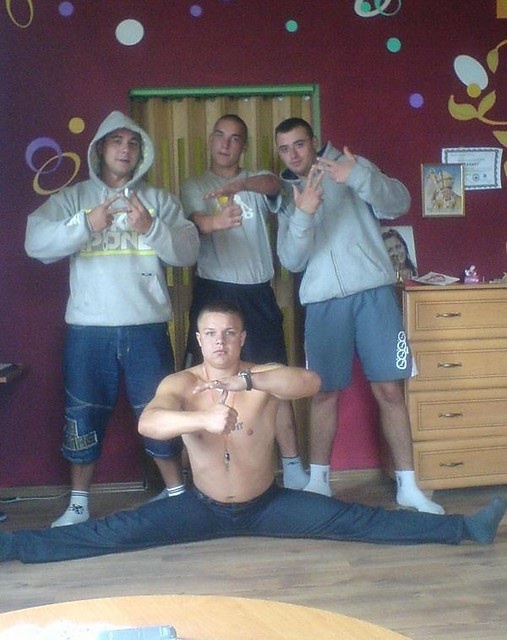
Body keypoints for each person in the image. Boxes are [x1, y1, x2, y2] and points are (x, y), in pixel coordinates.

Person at [0, 301, 504, 564]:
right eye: (210, 333)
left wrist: (246, 382)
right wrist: (201, 420)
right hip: (200, 507)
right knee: (109, 534)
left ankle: (466, 529)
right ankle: (14, 547)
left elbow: (310, 383)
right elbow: (148, 422)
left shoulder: (262, 376)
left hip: (267, 504)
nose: (219, 342)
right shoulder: (181, 383)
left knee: (361, 521)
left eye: (229, 333)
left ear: (241, 338)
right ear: (198, 339)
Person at [24, 111, 200, 527]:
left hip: (146, 328)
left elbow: (188, 251)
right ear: (100, 147)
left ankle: (177, 495)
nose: (125, 149)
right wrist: (87, 223)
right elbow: (35, 242)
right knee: (82, 413)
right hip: (89, 331)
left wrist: (151, 227)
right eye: (117, 141)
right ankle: (79, 505)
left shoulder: (158, 201)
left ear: (142, 152)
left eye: (133, 142)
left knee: (161, 410)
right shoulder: (74, 198)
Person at [274, 117, 444, 514]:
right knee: (323, 393)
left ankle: (408, 487)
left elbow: (399, 202)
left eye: (299, 144)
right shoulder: (286, 196)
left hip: (373, 294)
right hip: (323, 303)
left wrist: (358, 177)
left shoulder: (351, 166)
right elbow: (290, 260)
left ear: (314, 141)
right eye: (284, 148)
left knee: (390, 392)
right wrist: (303, 214)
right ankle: (319, 485)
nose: (293, 154)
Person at [180, 114, 308, 490]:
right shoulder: (195, 184)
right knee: (207, 383)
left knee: (273, 379)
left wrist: (242, 184)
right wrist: (215, 222)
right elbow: (194, 220)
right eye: (220, 136)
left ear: (244, 147)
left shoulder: (257, 181)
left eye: (235, 138)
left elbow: (274, 184)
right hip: (214, 291)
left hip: (258, 293)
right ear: (210, 140)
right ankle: (204, 474)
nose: (226, 144)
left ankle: (293, 466)